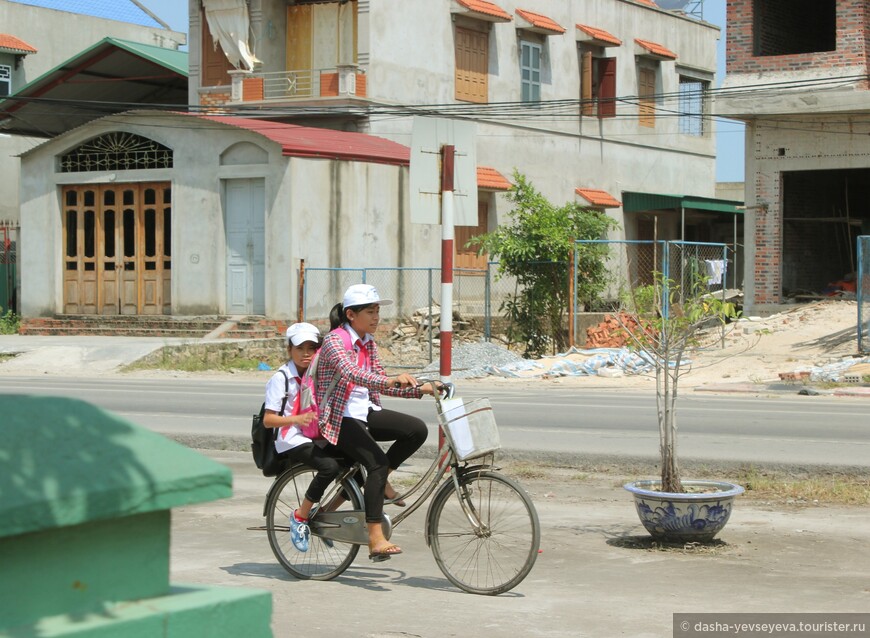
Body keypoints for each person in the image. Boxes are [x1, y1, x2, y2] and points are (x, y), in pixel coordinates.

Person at [315, 284, 439, 561]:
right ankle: (375, 537)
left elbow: (382, 384)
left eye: (377, 311)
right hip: (338, 417)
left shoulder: (368, 342)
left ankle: (379, 484)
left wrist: (421, 388)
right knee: (377, 464)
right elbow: (353, 374)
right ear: (351, 314)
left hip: (364, 411)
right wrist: (390, 379)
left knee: (415, 430)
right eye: (370, 312)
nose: (376, 317)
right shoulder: (335, 341)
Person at [262, 322, 342, 553]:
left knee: (356, 464)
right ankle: (300, 515)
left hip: (315, 434)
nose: (306, 354)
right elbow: (269, 420)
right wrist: (295, 420)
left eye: (312, 348)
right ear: (289, 350)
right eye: (300, 348)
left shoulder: (317, 373)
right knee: (329, 467)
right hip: (292, 438)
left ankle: (325, 513)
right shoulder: (282, 378)